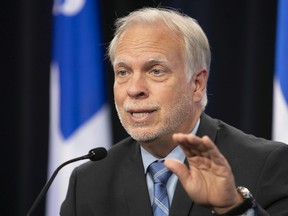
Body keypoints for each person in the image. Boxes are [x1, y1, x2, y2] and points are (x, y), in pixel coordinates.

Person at [60, 7, 288, 216]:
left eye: (156, 71)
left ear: (197, 84)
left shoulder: (267, 163)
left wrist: (232, 207)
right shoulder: (89, 181)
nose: (134, 89)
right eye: (123, 72)